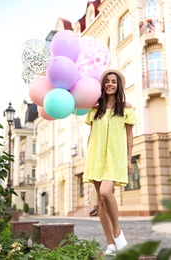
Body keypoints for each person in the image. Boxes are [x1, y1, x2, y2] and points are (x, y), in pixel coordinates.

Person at [83, 69, 138, 256]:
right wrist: (88, 157)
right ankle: (110, 244)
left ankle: (117, 233)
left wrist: (129, 159)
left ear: (118, 84)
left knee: (106, 192)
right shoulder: (94, 109)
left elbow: (130, 135)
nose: (110, 84)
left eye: (113, 81)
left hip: (115, 156)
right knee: (100, 203)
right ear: (102, 85)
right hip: (96, 156)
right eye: (107, 81)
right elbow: (90, 136)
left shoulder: (126, 107)